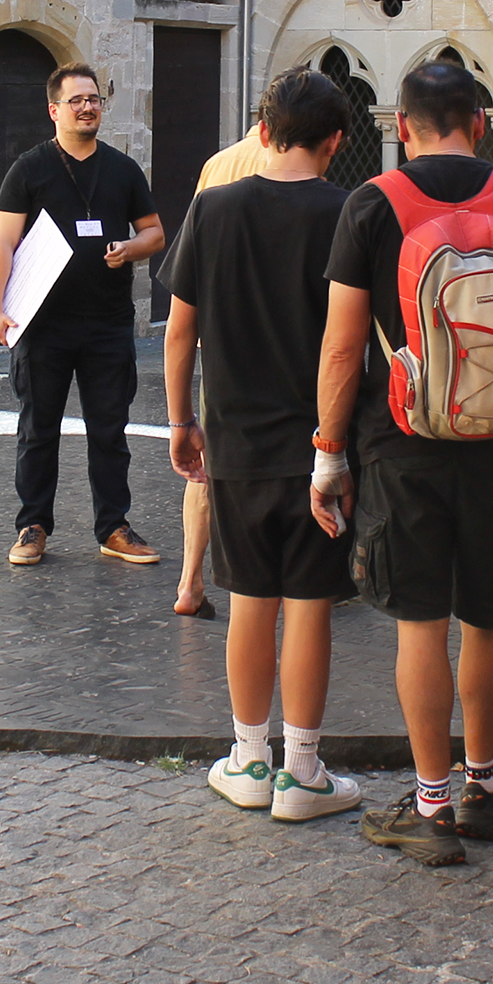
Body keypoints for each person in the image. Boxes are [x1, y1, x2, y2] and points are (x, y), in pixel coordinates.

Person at [313, 60, 493, 865]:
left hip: (402, 441)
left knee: (420, 619)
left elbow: (342, 344)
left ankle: (429, 806)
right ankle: (484, 785)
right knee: (490, 614)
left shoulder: (371, 205)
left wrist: (328, 450)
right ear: (481, 121)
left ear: (401, 127)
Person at [161, 67, 361, 822]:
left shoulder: (212, 209)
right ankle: (303, 771)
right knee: (309, 602)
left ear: (263, 130)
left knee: (249, 597)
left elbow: (181, 331)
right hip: (322, 444)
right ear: (336, 140)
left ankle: (247, 759)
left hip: (236, 442)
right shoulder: (350, 212)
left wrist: (184, 421)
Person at [0, 64, 164, 567]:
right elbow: (3, 242)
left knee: (110, 431)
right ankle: (32, 525)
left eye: (94, 99)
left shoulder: (123, 169)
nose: (88, 107)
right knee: (38, 429)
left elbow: (155, 233)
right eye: (77, 100)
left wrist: (130, 248)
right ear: (54, 110)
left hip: (107, 323)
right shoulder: (29, 169)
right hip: (41, 326)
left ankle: (113, 527)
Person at [173, 122, 270, 619]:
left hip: (220, 339)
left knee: (204, 467)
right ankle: (274, 578)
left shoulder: (218, 162)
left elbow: (195, 257)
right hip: (277, 340)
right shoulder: (294, 159)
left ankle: (190, 582)